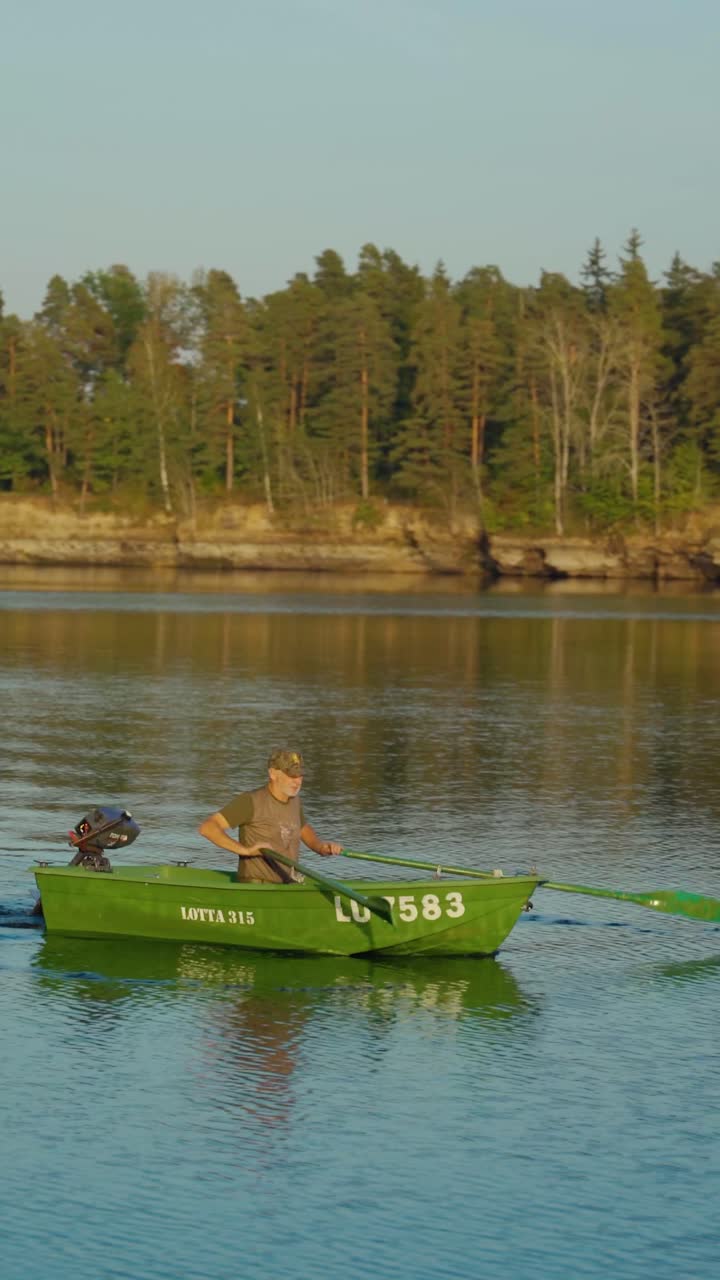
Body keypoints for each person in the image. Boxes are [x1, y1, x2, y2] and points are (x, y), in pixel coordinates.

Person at [197, 748, 343, 883]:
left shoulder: (294, 800)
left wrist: (321, 847)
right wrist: (246, 850)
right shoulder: (250, 801)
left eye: (300, 775)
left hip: (288, 885)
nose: (297, 781)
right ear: (273, 773)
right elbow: (208, 828)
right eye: (291, 775)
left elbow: (302, 828)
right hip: (256, 888)